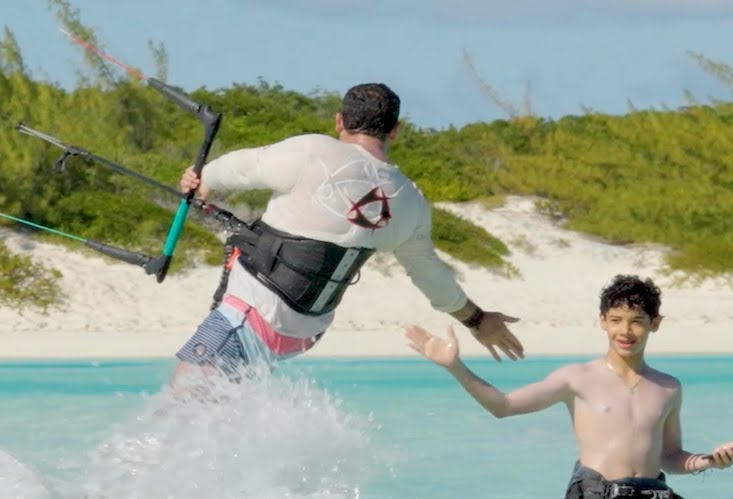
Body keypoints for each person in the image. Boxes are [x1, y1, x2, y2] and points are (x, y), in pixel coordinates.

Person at [171, 82, 525, 386]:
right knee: (216, 413)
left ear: (339, 121)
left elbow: (238, 170)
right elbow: (432, 278)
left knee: (173, 410)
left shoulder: (315, 152)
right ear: (395, 130)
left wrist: (201, 178)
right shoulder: (411, 202)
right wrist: (477, 321)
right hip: (302, 336)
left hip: (253, 314)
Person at [404, 274, 733, 499]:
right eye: (615, 321)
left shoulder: (668, 388)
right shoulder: (577, 378)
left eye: (636, 322)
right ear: (602, 321)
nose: (625, 331)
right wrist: (454, 367)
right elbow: (503, 406)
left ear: (654, 324)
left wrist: (710, 461)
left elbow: (670, 458)